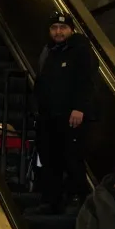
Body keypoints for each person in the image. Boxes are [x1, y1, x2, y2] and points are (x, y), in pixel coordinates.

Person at [34, 13, 95, 211]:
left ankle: (82, 200)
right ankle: (52, 200)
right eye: (54, 28)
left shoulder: (80, 50)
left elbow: (88, 81)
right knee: (50, 159)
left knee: (72, 158)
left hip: (71, 117)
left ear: (71, 30)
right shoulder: (49, 52)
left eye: (63, 28)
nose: (58, 32)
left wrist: (80, 108)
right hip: (49, 117)